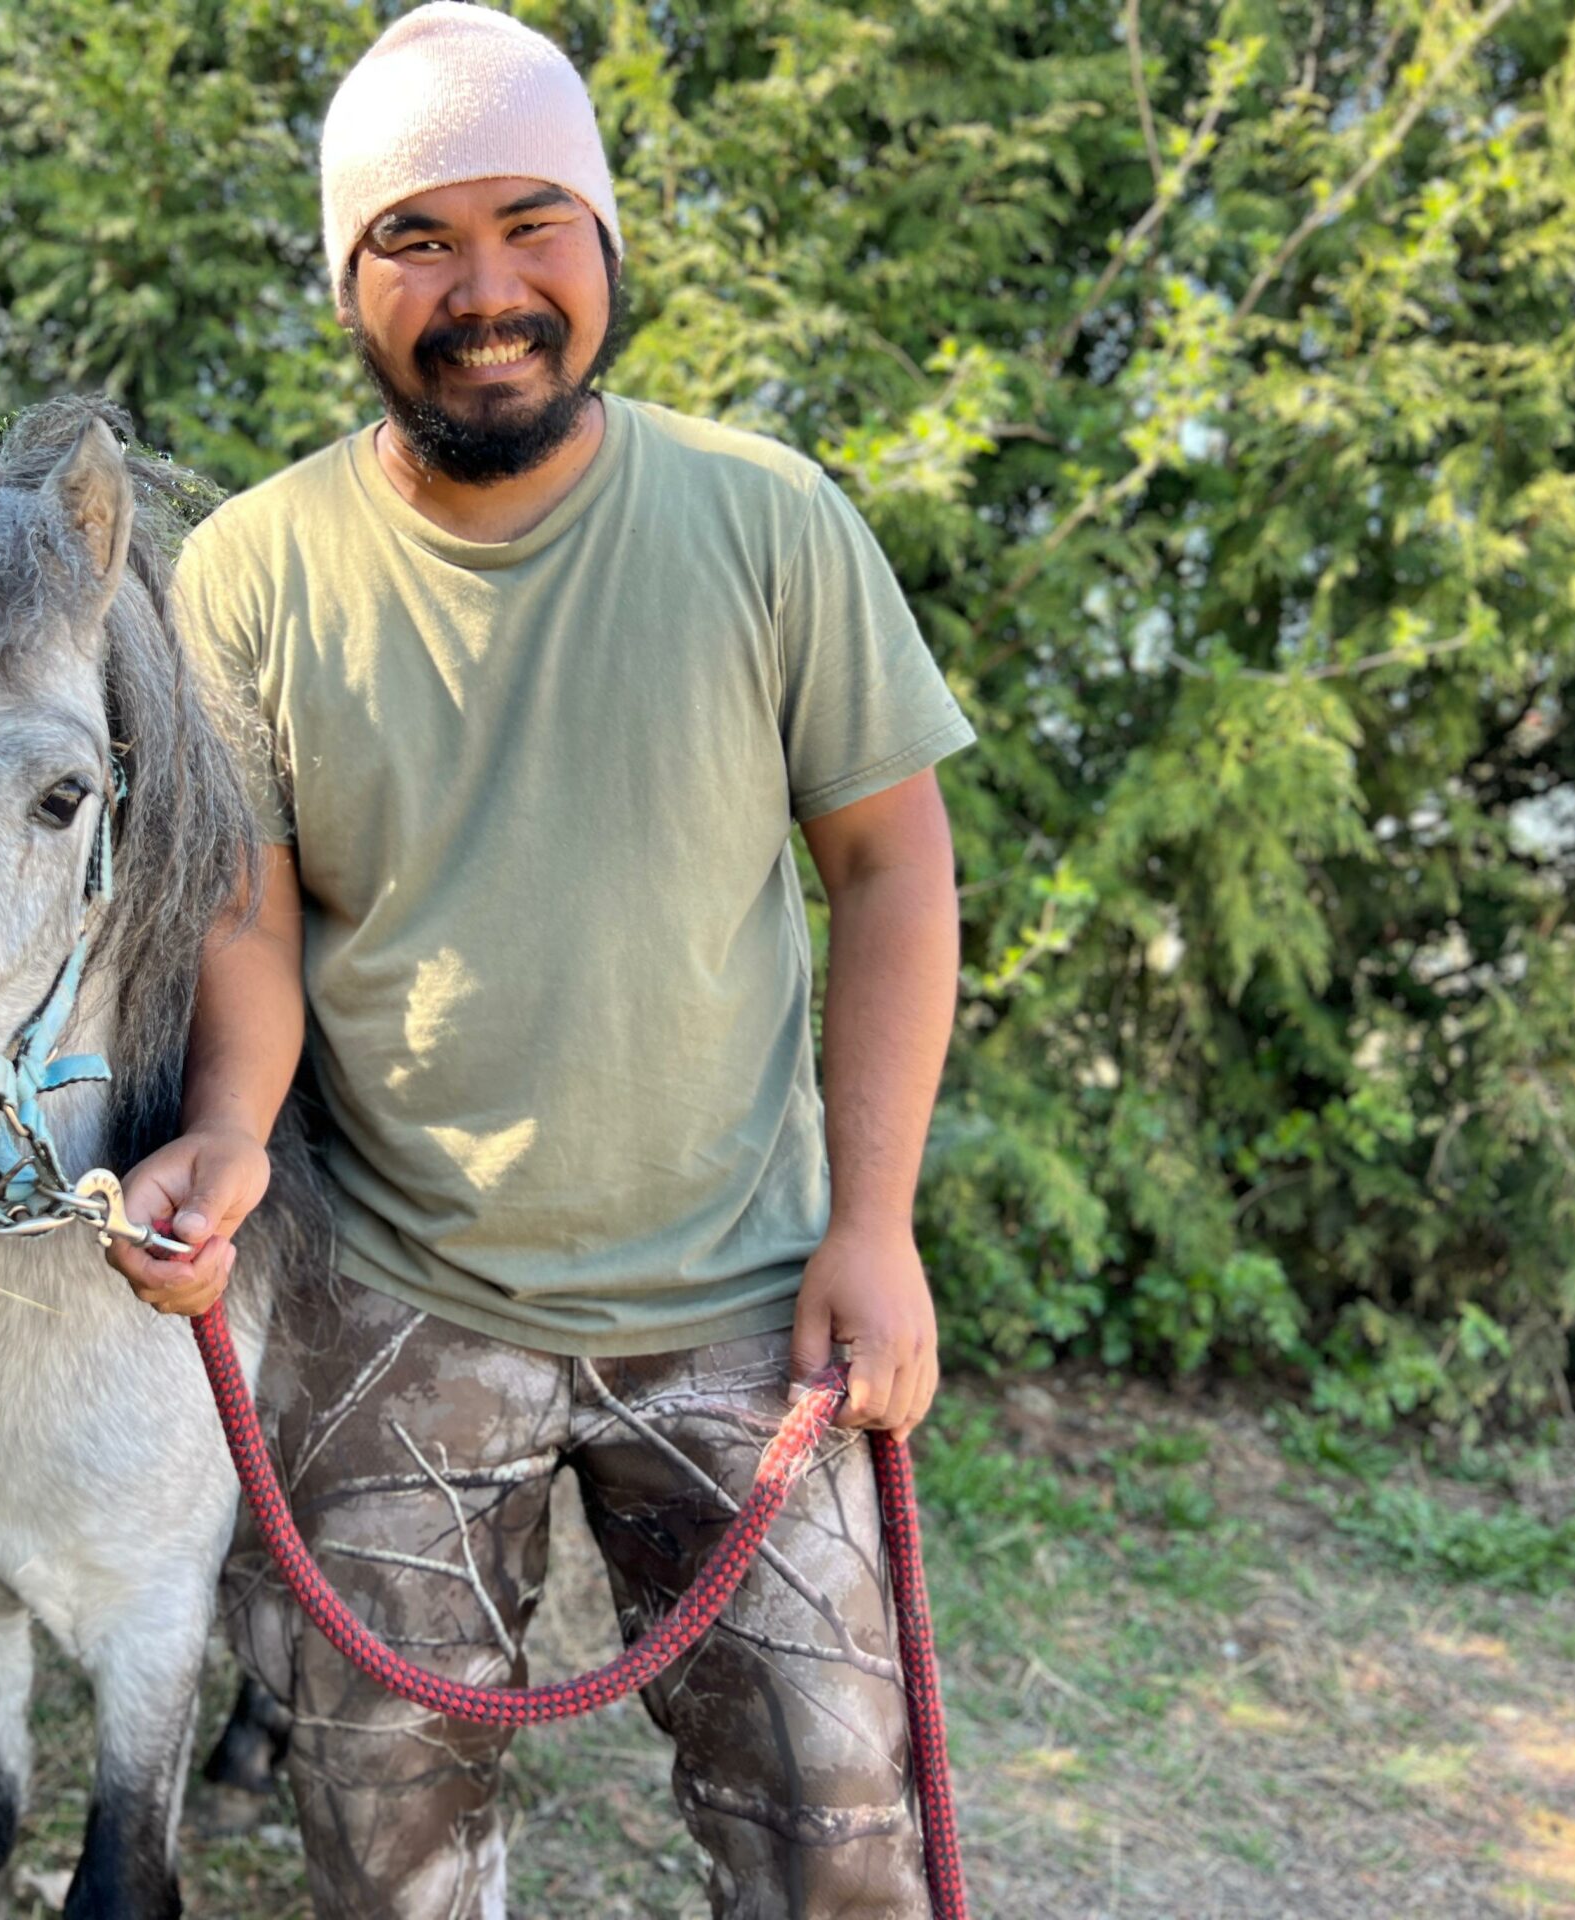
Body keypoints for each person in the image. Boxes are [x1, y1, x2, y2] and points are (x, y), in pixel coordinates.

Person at [106, 6, 974, 1913]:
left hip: (750, 1295)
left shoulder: (769, 519)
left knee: (841, 1841)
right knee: (384, 1833)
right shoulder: (247, 571)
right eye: (416, 239)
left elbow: (894, 868)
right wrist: (230, 1135)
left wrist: (877, 1226)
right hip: (401, 1292)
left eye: (531, 224)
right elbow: (252, 913)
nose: (484, 290)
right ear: (348, 281)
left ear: (604, 240)